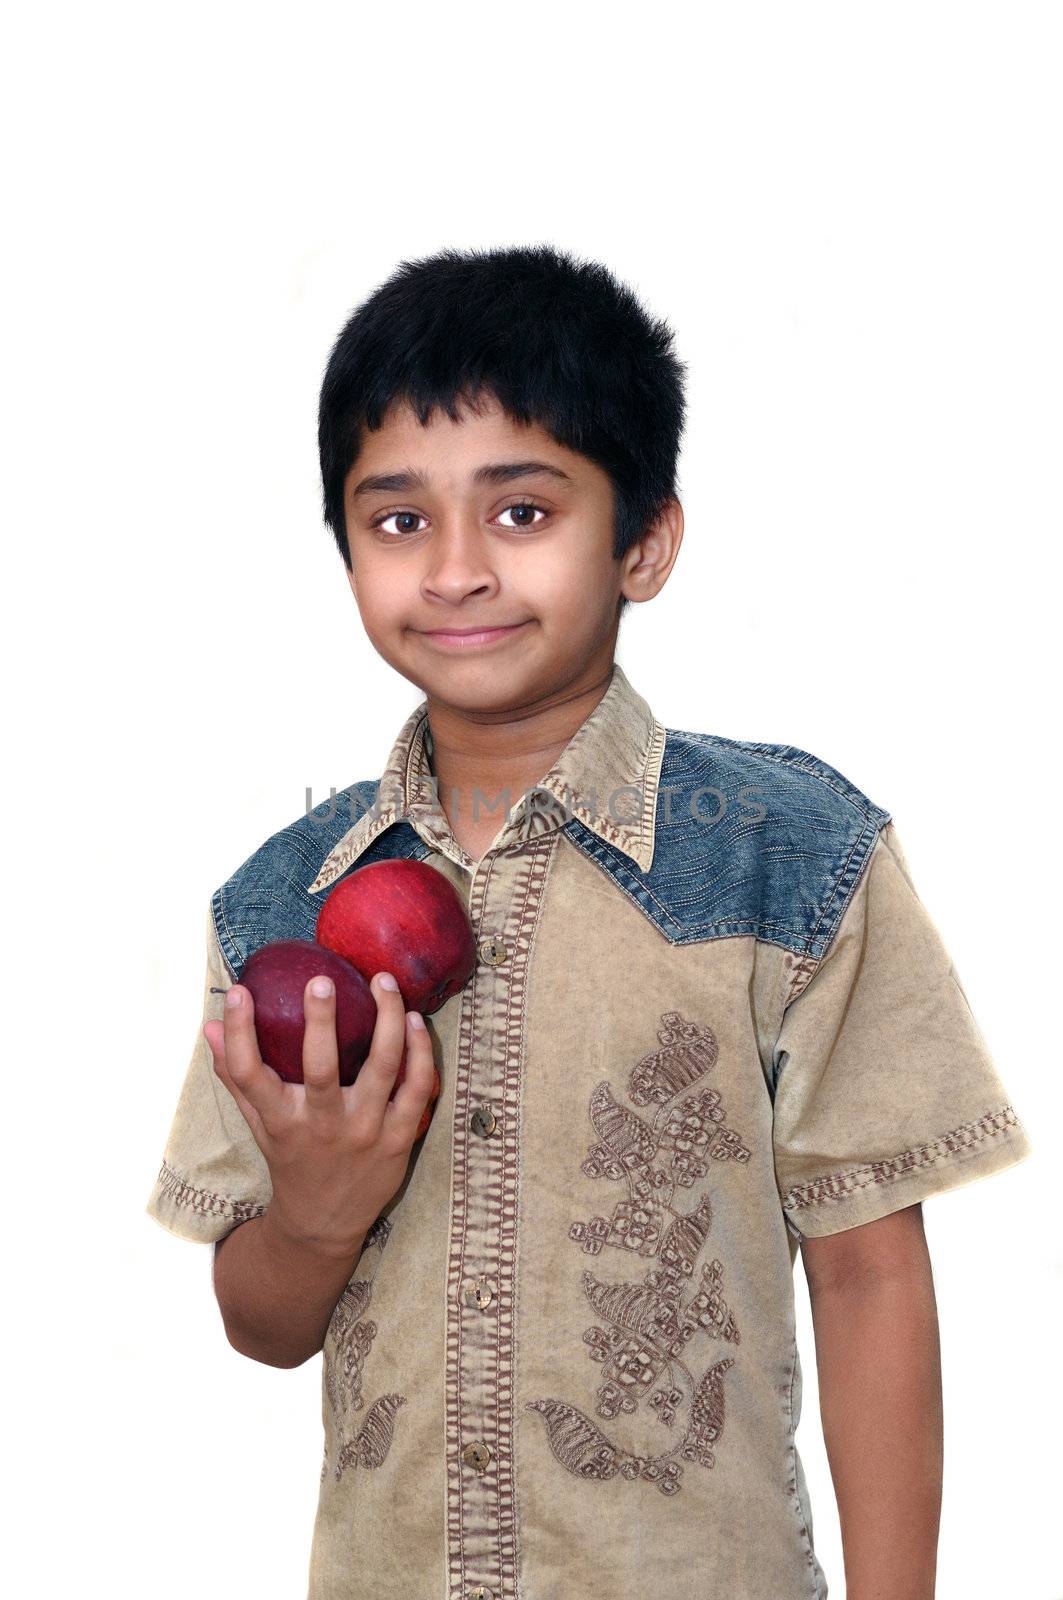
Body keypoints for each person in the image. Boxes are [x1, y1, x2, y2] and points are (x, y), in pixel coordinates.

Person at [145, 243, 1032, 1600]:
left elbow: (867, 1277)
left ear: (645, 541)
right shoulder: (282, 905)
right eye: (397, 521)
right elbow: (260, 1326)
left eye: (519, 512)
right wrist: (318, 1219)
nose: (453, 573)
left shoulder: (789, 859)